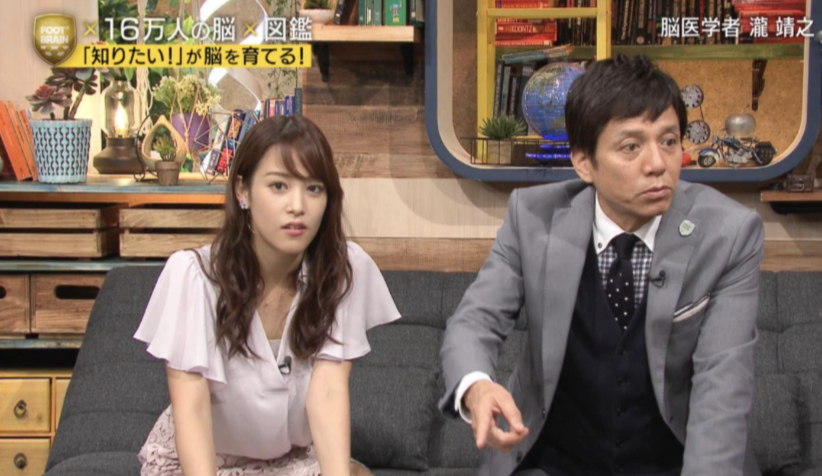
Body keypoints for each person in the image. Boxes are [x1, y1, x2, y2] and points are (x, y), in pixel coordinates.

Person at [440, 55, 764, 476]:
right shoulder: (533, 218)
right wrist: (477, 386)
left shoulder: (729, 234)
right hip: (551, 463)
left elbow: (723, 389)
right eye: (631, 147)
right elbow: (474, 322)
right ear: (583, 162)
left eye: (669, 141)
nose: (658, 164)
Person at [134, 115, 401, 476]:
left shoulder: (341, 271)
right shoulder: (195, 277)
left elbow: (328, 392)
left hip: (290, 459)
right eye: (278, 186)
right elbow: (191, 410)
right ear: (242, 191)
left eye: (314, 188)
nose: (298, 206)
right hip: (201, 461)